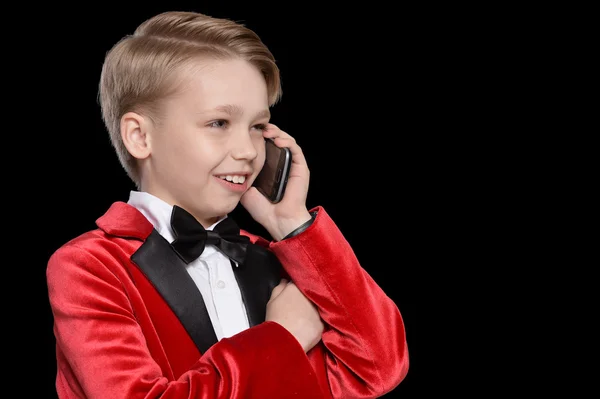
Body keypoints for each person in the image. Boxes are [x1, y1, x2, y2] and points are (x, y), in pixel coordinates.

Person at [46, 10, 409, 399]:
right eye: (219, 123)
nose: (247, 151)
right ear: (139, 136)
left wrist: (294, 225)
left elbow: (379, 368)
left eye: (257, 127)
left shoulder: (277, 260)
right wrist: (281, 338)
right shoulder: (91, 267)